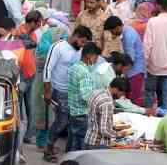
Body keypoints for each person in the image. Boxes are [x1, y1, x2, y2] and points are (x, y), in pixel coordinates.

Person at [42, 25, 93, 162]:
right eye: (82, 42)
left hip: (74, 91)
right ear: (75, 36)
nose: (82, 45)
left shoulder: (80, 50)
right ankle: (48, 148)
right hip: (59, 90)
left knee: (74, 122)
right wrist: (47, 91)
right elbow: (47, 69)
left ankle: (70, 153)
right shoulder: (58, 47)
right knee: (61, 121)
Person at [67, 42, 101, 151]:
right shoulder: (85, 72)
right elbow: (87, 97)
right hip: (83, 113)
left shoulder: (74, 68)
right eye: (96, 57)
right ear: (89, 55)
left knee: (72, 141)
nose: (96, 60)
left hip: (73, 111)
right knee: (81, 146)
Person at [84, 77, 130, 149]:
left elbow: (97, 119)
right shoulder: (107, 102)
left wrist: (113, 127)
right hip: (98, 143)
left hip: (89, 138)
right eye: (121, 93)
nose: (121, 96)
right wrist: (119, 134)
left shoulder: (97, 92)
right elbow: (104, 130)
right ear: (116, 89)